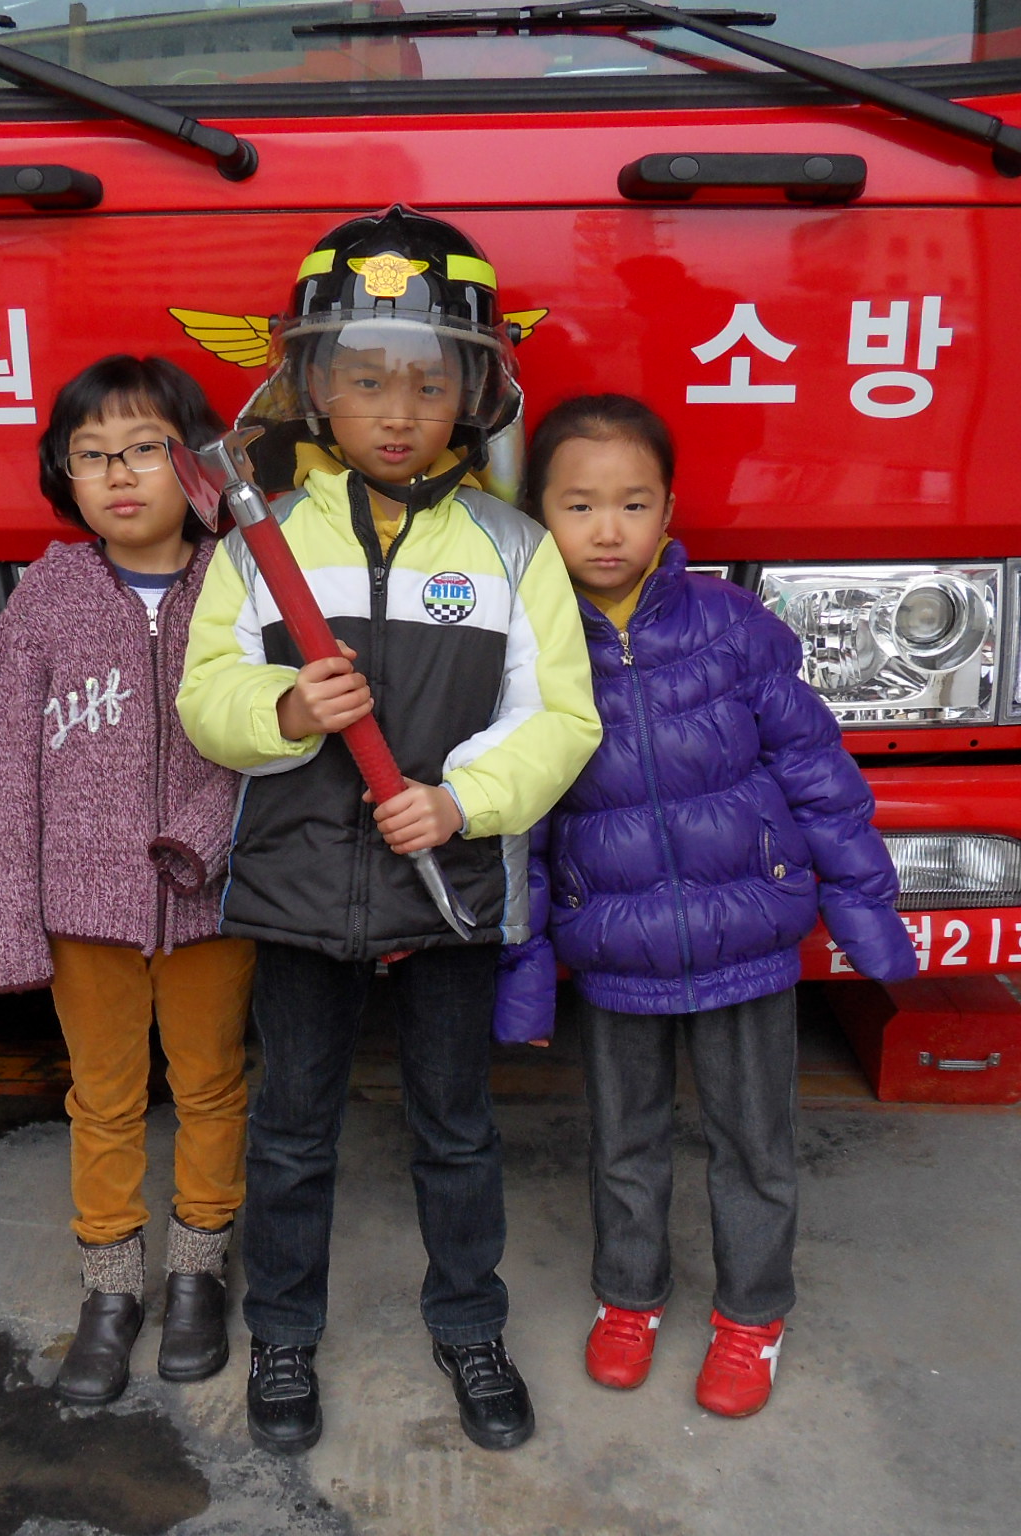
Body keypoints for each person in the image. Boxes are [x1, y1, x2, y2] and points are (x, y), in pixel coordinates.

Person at [176, 206, 602, 1456]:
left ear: (475, 392)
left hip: (448, 889)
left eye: (427, 382)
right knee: (291, 1131)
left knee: (455, 1132)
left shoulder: (514, 549)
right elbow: (205, 697)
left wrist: (461, 802)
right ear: (313, 387)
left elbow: (560, 718)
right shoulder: (256, 545)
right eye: (365, 380)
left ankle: (469, 1326)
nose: (397, 409)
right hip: (297, 891)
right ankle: (282, 1337)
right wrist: (283, 708)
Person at [496, 394, 918, 1419]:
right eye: (579, 505)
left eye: (632, 503)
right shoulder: (529, 648)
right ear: (536, 514)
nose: (607, 529)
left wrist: (865, 908)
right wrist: (523, 972)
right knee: (623, 1143)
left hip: (748, 940)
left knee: (754, 1144)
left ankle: (751, 1316)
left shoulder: (733, 629)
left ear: (668, 510)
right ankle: (628, 1298)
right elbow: (521, 824)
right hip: (615, 949)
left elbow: (818, 775)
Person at [0, 355, 254, 1408]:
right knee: (102, 1097)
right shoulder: (46, 601)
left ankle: (197, 1273)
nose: (119, 474)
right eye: (91, 456)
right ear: (65, 475)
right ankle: (109, 1289)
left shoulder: (239, 583)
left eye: (144, 449)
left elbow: (271, 738)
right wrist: (14, 925)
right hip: (82, 910)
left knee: (212, 1084)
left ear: (196, 465)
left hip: (208, 901)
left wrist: (203, 840)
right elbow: (4, 773)